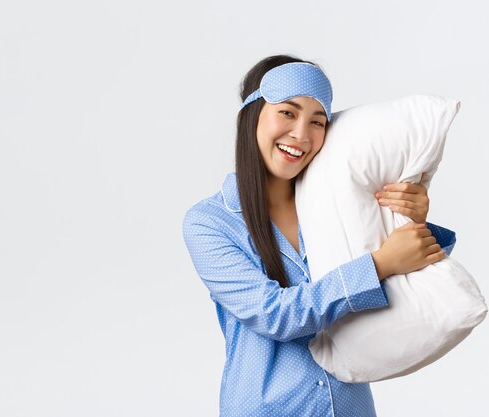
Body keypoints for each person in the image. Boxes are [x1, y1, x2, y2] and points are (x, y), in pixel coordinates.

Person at [182, 54, 457, 417]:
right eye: (287, 113)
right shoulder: (210, 223)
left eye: (318, 121)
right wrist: (378, 265)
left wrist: (410, 221)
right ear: (248, 118)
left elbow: (407, 274)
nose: (301, 135)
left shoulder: (334, 205)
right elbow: (274, 315)